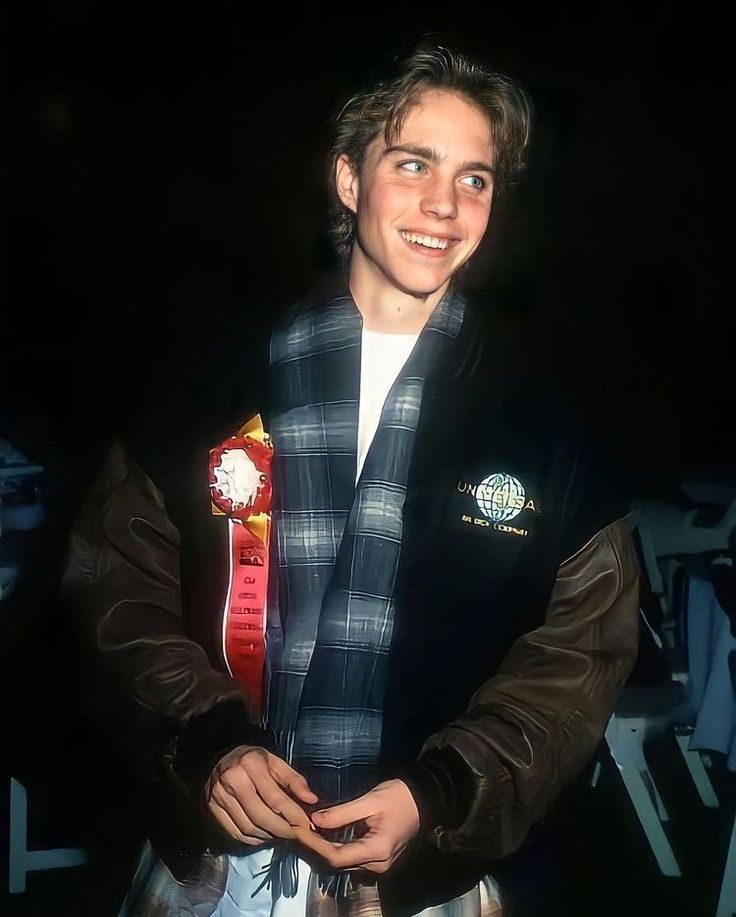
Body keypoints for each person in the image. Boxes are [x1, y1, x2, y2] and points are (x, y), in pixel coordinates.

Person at [62, 43, 639, 916]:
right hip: (222, 870)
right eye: (414, 164)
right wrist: (210, 742)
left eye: (475, 178)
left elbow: (578, 655)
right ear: (348, 178)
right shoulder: (211, 385)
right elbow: (116, 587)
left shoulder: (543, 423)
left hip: (419, 872)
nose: (444, 205)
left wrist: (442, 790)